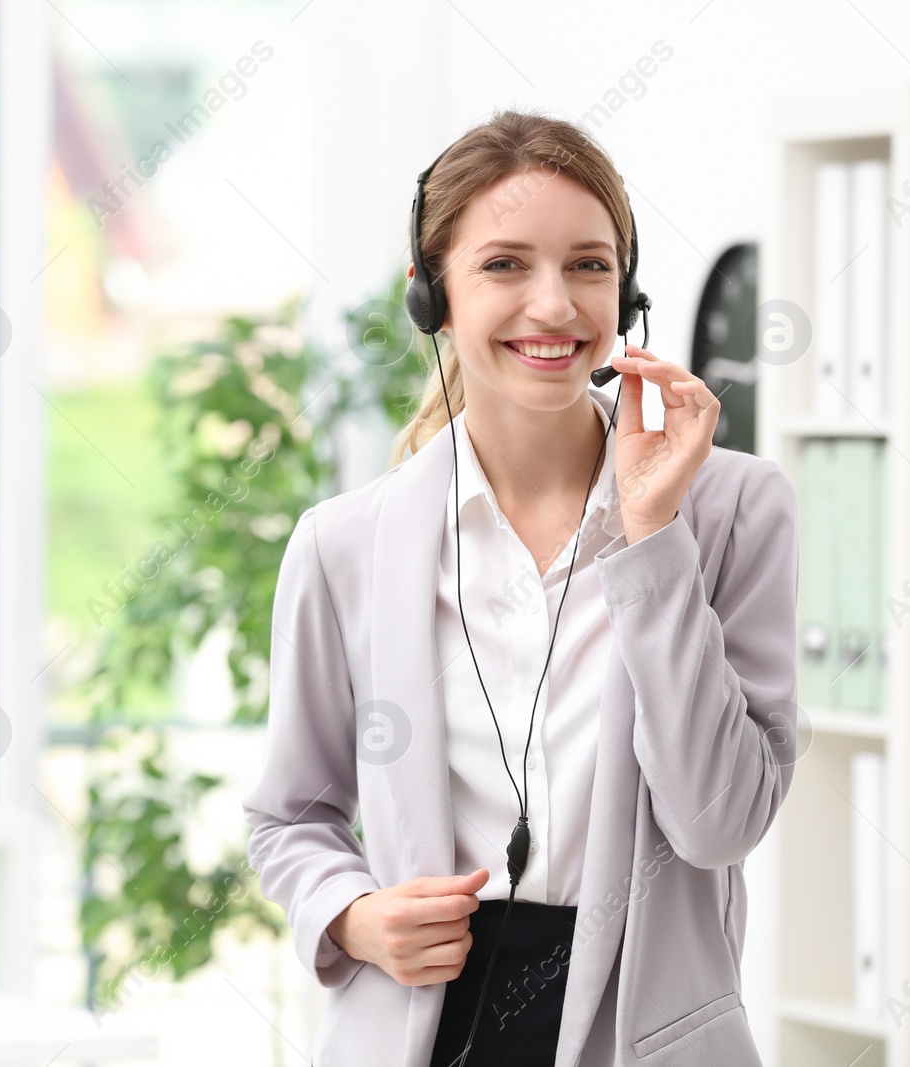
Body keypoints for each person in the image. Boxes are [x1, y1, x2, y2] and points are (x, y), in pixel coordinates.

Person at [241, 109, 800, 1066]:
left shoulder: (739, 510)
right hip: (416, 1024)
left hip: (643, 1035)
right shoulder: (343, 546)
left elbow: (718, 823)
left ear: (628, 296)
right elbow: (289, 817)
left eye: (589, 265)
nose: (555, 305)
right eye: (505, 265)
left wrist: (653, 536)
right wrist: (354, 916)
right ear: (434, 299)